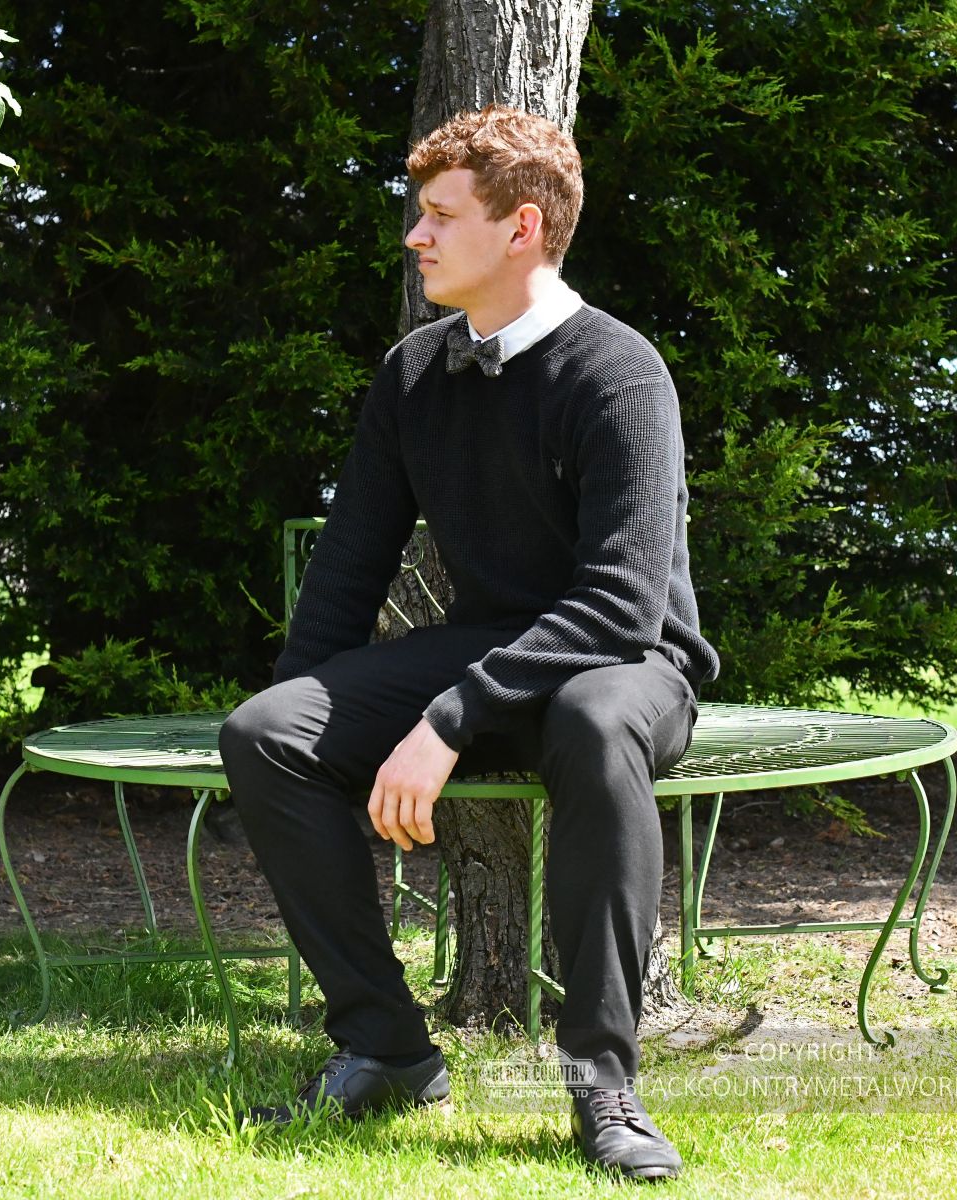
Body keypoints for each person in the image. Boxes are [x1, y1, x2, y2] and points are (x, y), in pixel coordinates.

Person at [218, 104, 720, 1183]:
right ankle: (385, 1050)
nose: (418, 235)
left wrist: (447, 721)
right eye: (422, 214)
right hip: (492, 649)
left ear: (521, 227)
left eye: (442, 216)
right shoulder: (414, 375)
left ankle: (602, 1083)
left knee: (592, 718)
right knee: (267, 732)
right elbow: (348, 570)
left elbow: (621, 605)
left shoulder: (619, 372)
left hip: (630, 665)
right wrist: (322, 722)